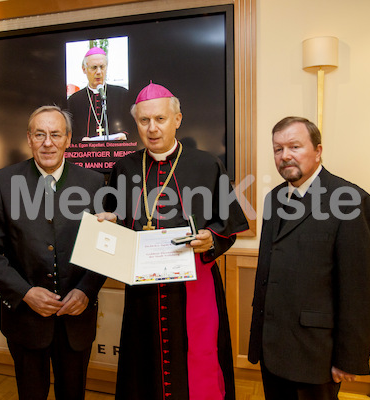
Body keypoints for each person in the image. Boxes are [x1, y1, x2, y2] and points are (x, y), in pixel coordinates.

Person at [97, 82, 249, 399]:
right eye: (143, 121)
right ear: (135, 123)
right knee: (144, 367)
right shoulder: (123, 168)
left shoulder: (207, 165)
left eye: (161, 119)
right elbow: (115, 223)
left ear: (177, 119)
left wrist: (212, 240)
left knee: (196, 366)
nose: (152, 129)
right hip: (143, 293)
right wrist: (109, 224)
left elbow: (228, 224)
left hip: (193, 287)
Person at [0, 105, 106, 400]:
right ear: (29, 139)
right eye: (40, 134)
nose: (48, 142)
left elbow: (103, 248)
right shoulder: (3, 182)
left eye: (56, 134)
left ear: (69, 140)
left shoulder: (94, 183)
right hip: (25, 321)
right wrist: (25, 292)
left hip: (76, 318)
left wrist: (86, 291)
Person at [248, 116, 370, 400]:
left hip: (315, 352)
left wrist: (350, 357)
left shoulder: (350, 201)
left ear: (318, 151)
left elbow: (360, 289)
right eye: (278, 149)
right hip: (272, 346)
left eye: (294, 146)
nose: (285, 156)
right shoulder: (273, 199)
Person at [67, 46, 132, 141]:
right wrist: (81, 140)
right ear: (84, 69)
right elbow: (69, 133)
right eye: (94, 67)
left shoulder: (122, 94)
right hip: (86, 153)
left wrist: (124, 135)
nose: (99, 72)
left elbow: (132, 126)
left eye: (102, 67)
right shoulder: (74, 100)